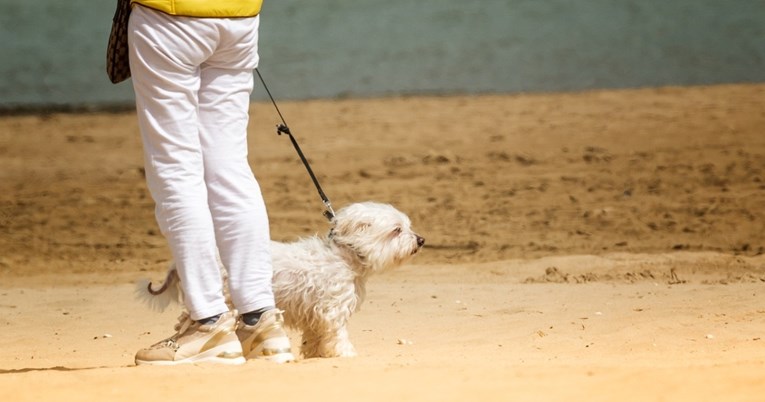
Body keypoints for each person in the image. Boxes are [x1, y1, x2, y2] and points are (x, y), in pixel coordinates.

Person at [126, 0, 295, 365]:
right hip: (240, 17)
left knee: (175, 167)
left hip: (168, 17)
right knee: (230, 166)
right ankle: (261, 322)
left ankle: (208, 323)